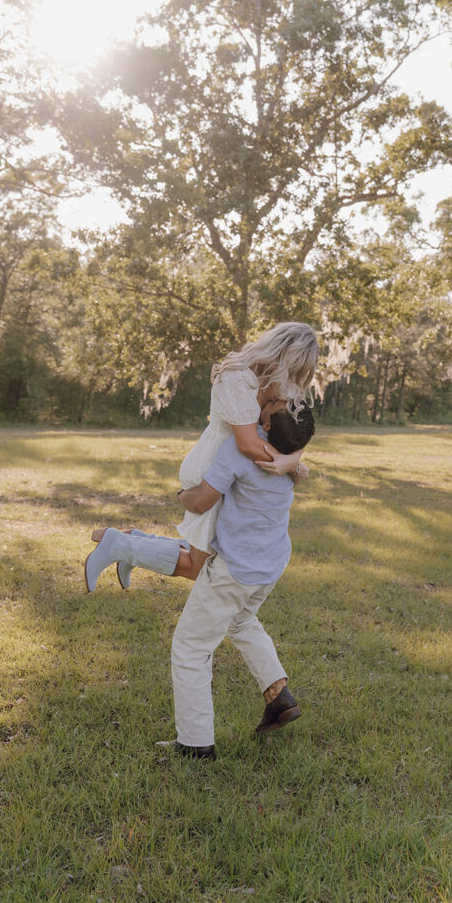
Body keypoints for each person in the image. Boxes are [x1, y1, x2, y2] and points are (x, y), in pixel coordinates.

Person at [85, 399, 316, 760]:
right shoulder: (290, 457)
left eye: (271, 406)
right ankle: (278, 695)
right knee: (241, 620)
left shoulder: (242, 449)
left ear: (266, 426)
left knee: (191, 646)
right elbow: (298, 463)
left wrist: (182, 493)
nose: (267, 400)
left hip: (235, 570)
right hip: (270, 565)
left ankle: (195, 744)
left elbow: (200, 502)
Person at [88, 322, 318, 588]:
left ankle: (132, 542)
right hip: (212, 468)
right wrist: (292, 465)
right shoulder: (239, 378)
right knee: (200, 567)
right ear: (278, 351)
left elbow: (299, 429)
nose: (293, 377)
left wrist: (294, 458)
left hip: (239, 474)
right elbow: (246, 443)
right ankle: (118, 545)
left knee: (214, 556)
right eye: (293, 366)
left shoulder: (282, 384)